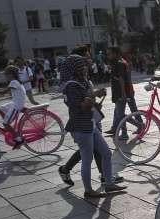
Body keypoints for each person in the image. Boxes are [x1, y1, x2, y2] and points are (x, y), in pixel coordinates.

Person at [61, 54, 126, 198]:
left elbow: (87, 102)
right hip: (81, 127)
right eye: (82, 65)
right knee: (87, 159)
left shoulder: (82, 81)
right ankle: (88, 190)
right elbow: (82, 106)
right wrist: (93, 97)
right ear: (76, 68)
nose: (85, 67)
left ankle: (108, 184)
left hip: (90, 124)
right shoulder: (71, 85)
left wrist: (95, 98)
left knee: (106, 153)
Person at [104, 46, 143, 138]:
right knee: (122, 112)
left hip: (122, 92)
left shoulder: (119, 63)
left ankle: (133, 128)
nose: (108, 56)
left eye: (109, 54)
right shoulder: (121, 62)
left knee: (121, 114)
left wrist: (123, 93)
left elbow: (121, 79)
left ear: (115, 54)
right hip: (124, 91)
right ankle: (121, 130)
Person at [0, 66, 26, 148]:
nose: (5, 76)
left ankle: (19, 140)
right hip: (15, 103)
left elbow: (5, 90)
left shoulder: (14, 82)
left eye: (6, 74)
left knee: (5, 123)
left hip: (16, 106)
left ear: (11, 74)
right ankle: (9, 127)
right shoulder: (16, 81)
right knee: (0, 108)